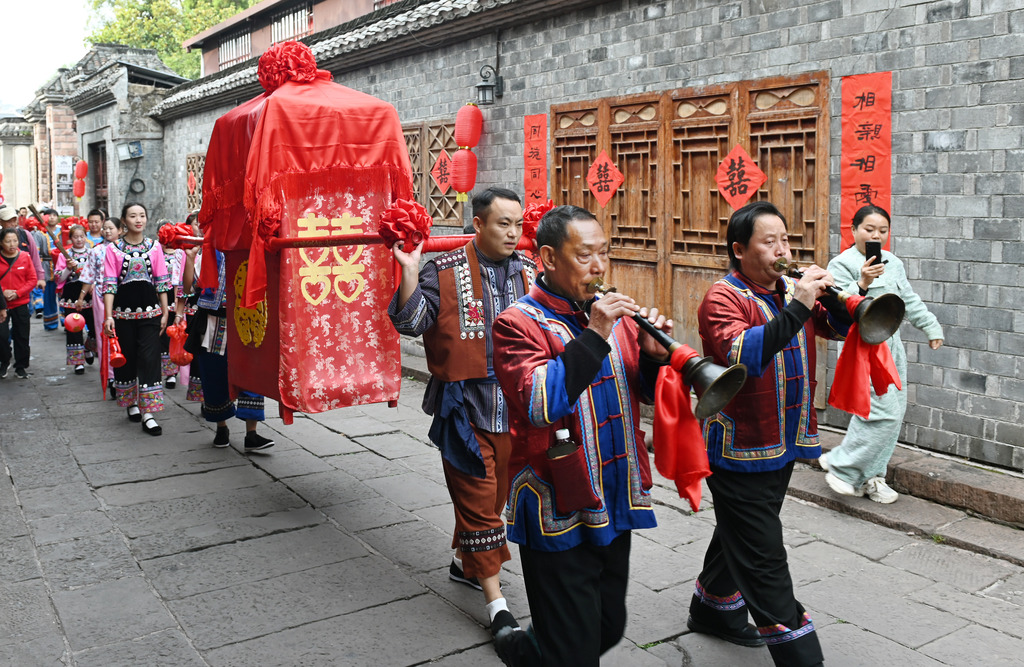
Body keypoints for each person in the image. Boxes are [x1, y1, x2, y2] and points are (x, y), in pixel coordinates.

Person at [492, 205, 671, 666]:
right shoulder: (517, 324)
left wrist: (652, 356)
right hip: (557, 498)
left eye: (604, 254)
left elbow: (643, 396)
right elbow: (539, 405)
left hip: (614, 493)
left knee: (608, 626)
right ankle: (537, 646)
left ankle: (529, 647)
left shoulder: (617, 319)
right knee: (575, 649)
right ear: (548, 258)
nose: (598, 267)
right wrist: (595, 333)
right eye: (585, 255)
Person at [689, 201, 851, 667]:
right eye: (769, 241)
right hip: (739, 443)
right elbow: (744, 354)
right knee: (763, 555)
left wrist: (848, 295)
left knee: (743, 529)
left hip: (781, 435)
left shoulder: (785, 289)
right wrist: (799, 303)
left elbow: (833, 327)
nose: (782, 250)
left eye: (785, 240)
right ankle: (801, 655)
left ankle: (713, 608)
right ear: (739, 250)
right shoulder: (723, 297)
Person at [387, 187, 535, 646]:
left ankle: (463, 565)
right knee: (477, 497)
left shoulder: (532, 272)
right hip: (465, 408)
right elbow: (412, 323)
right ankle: (497, 607)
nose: (512, 233)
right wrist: (409, 271)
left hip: (519, 413)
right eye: (502, 224)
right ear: (478, 225)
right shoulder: (443, 269)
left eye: (517, 224)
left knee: (494, 500)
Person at [822, 204, 943, 503]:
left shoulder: (893, 262)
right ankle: (842, 465)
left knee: (895, 412)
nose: (876, 235)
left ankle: (873, 478)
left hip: (892, 345)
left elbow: (909, 300)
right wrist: (862, 282)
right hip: (861, 348)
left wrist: (931, 326)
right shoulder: (841, 263)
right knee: (880, 412)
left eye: (883, 231)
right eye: (869, 229)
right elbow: (834, 305)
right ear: (853, 230)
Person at [181, 246, 275, 452]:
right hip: (215, 323)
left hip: (248, 321)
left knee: (252, 375)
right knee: (214, 375)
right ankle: (221, 427)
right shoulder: (209, 252)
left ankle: (252, 434)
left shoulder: (252, 248)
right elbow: (188, 288)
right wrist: (189, 258)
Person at [102, 203, 171, 436]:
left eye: (142, 215)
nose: (138, 220)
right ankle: (131, 402)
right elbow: (110, 284)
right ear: (124, 220)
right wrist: (109, 316)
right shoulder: (113, 249)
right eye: (133, 216)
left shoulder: (154, 247)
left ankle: (149, 412)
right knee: (128, 357)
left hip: (151, 313)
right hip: (122, 313)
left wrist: (165, 310)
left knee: (150, 358)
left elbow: (162, 279)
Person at [80, 216, 122, 397]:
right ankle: (111, 376)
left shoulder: (125, 250)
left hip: (124, 298)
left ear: (120, 230)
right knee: (104, 335)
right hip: (100, 296)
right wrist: (82, 296)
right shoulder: (96, 251)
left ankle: (125, 374)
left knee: (124, 335)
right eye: (105, 228)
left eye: (111, 228)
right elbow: (88, 275)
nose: (107, 231)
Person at [54, 224, 96, 374]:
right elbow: (58, 278)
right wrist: (68, 268)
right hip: (72, 294)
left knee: (94, 326)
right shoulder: (64, 255)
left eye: (82, 236)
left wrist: (94, 284)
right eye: (75, 237)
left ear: (86, 237)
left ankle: (89, 347)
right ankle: (78, 362)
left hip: (90, 294)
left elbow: (99, 272)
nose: (79, 239)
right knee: (74, 328)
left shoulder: (92, 253)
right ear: (71, 238)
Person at [1, 227, 38, 379]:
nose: (12, 244)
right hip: (1, 304)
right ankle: (4, 360)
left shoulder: (24, 257)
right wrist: (3, 292)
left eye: (15, 240)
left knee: (22, 336)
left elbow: (32, 280)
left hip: (20, 302)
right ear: (1, 242)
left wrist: (17, 293)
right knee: (1, 336)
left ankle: (21, 366)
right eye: (8, 241)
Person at [0, 206, 45, 318]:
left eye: (13, 220)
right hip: (2, 287)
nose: (12, 223)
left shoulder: (25, 234)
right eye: (8, 221)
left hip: (23, 284)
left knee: (24, 318)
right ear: (1, 222)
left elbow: (35, 257)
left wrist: (40, 278)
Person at [157, 221, 186, 389]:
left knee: (174, 335)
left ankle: (172, 373)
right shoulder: (156, 254)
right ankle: (165, 370)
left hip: (177, 299)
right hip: (160, 299)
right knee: (162, 335)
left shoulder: (180, 254)